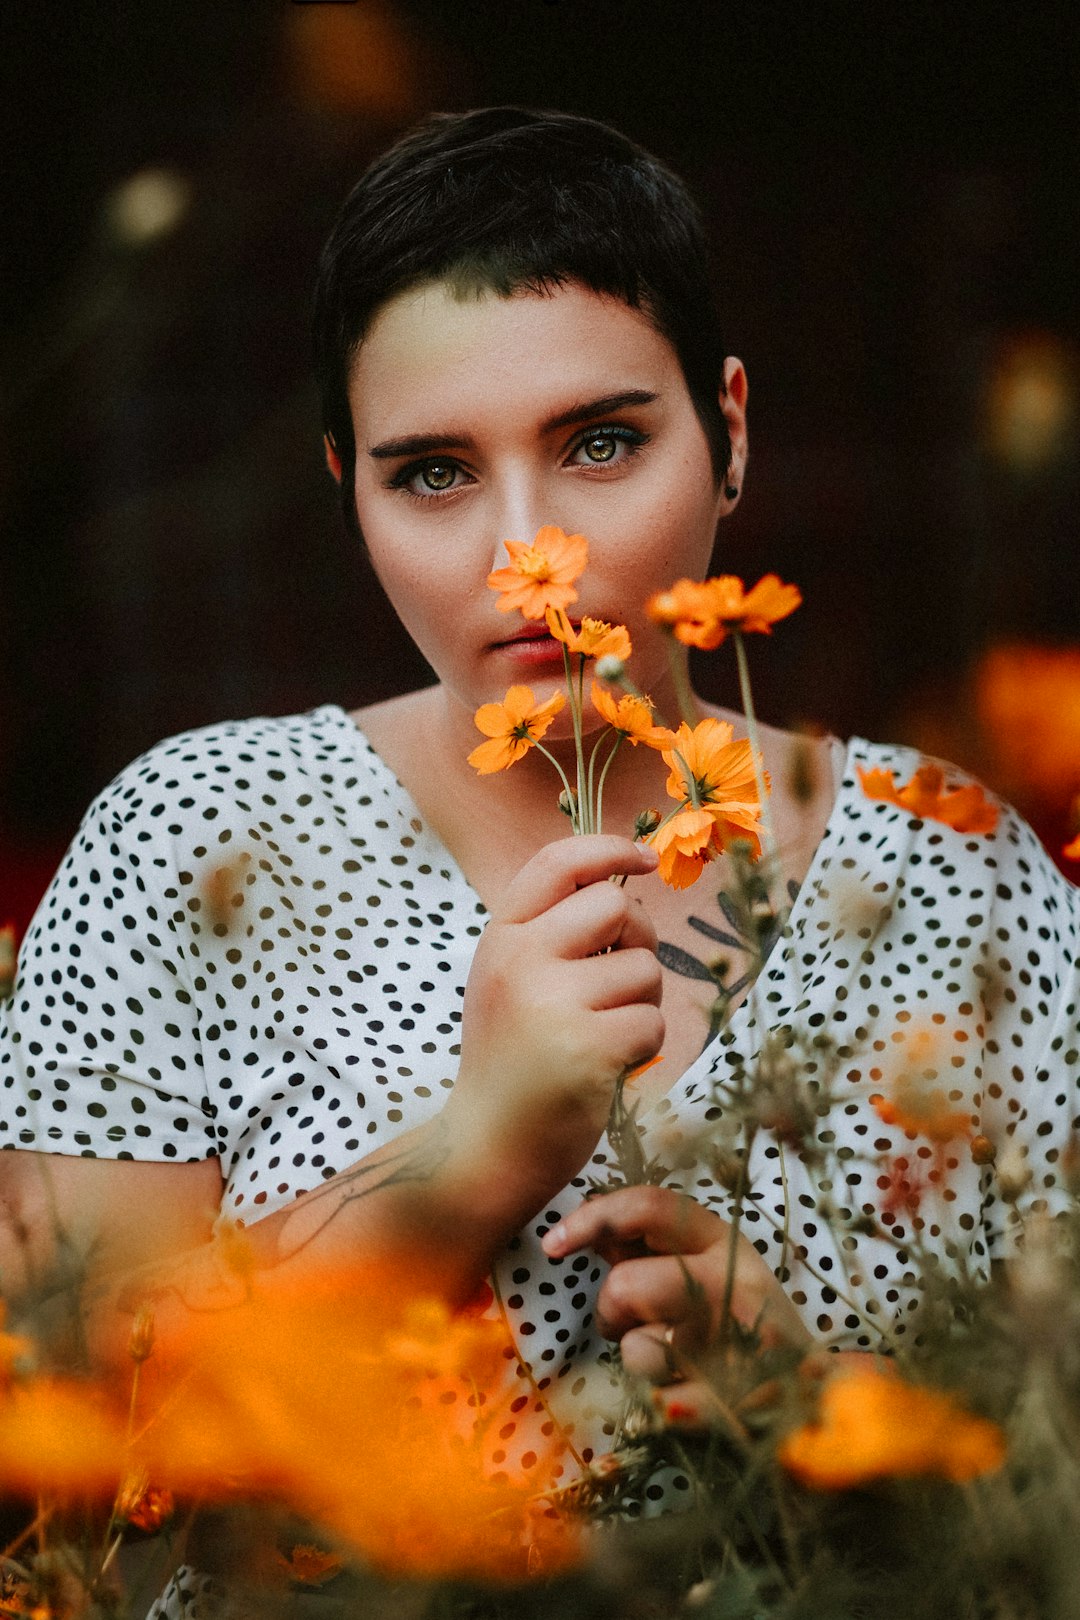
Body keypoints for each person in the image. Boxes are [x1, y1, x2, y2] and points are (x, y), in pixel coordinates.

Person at [1, 106, 1078, 1590]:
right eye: (433, 472)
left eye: (601, 444)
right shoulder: (195, 839)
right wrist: (467, 1155)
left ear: (734, 434)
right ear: (344, 485)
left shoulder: (955, 872)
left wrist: (822, 1414)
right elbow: (61, 1445)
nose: (527, 557)